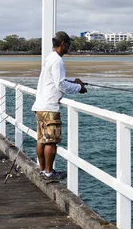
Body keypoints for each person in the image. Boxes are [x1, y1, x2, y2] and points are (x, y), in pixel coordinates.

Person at [31, 31, 87, 181]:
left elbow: (56, 79)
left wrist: (73, 82)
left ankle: (43, 170)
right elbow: (60, 84)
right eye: (68, 44)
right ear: (63, 43)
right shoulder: (57, 61)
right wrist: (79, 88)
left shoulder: (50, 58)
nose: (69, 48)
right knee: (51, 141)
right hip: (49, 106)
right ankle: (49, 173)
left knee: (42, 139)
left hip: (41, 105)